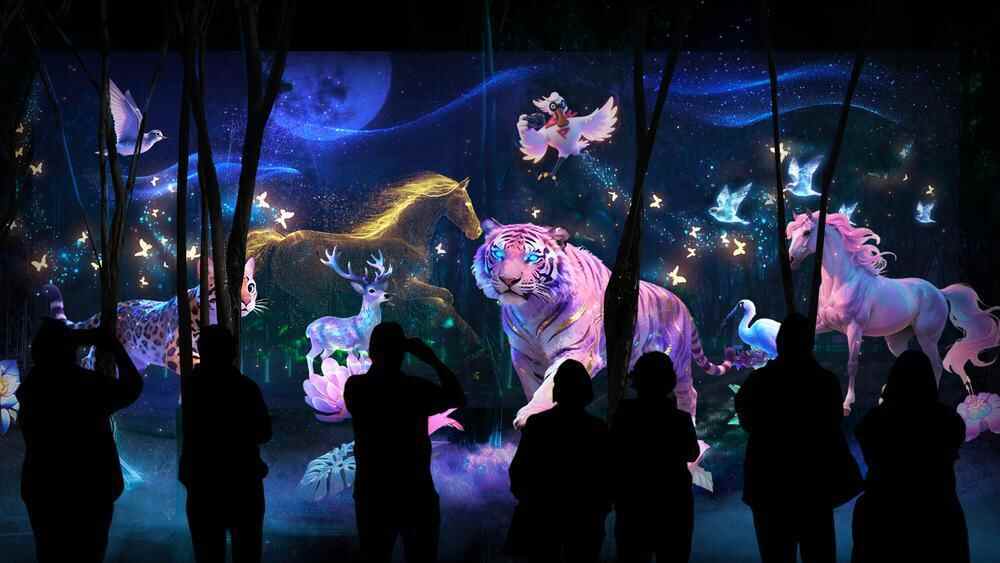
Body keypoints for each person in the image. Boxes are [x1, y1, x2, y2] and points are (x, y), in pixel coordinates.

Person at [735, 312, 862, 563]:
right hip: (814, 485)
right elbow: (832, 424)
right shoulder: (825, 382)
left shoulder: (758, 382)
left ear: (780, 342)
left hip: (770, 485)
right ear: (809, 344)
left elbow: (747, 422)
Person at [17, 318, 144, 563]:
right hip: (91, 492)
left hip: (44, 492)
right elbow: (132, 387)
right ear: (69, 350)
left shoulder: (33, 387)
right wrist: (113, 346)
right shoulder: (85, 385)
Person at [344, 321, 466, 563]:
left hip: (373, 493)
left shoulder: (356, 387)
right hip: (416, 492)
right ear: (403, 353)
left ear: (371, 351)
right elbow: (457, 398)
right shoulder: (416, 389)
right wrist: (432, 359)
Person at [851, 350, 969, 563]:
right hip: (938, 512)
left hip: (881, 512)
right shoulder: (949, 419)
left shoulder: (874, 419)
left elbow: (867, 444)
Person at [179, 325, 271, 563]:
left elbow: (188, 435)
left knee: (207, 554)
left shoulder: (192, 388)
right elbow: (264, 433)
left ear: (202, 351)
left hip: (203, 484)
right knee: (248, 553)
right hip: (243, 483)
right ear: (232, 351)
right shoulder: (246, 388)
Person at [506, 360, 611, 563]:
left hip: (542, 517)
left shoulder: (537, 424)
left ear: (557, 389)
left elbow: (518, 470)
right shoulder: (598, 428)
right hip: (584, 519)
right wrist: (600, 508)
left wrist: (530, 501)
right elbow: (606, 475)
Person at [612, 351, 700, 563]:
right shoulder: (680, 419)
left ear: (637, 380)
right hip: (673, 503)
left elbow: (613, 453)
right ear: (670, 381)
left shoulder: (623, 415)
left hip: (634, 502)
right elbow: (692, 453)